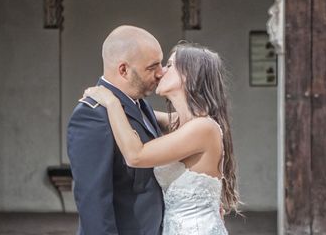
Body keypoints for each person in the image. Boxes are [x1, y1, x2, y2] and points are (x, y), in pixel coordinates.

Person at [83, 41, 239, 235]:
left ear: (189, 75)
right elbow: (139, 114)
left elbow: (135, 156)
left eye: (170, 65)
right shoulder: (180, 123)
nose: (160, 72)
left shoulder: (202, 128)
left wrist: (111, 101)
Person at [67, 25, 165, 235]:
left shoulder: (139, 105)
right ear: (124, 70)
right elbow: (93, 201)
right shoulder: (93, 116)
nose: (161, 73)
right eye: (152, 67)